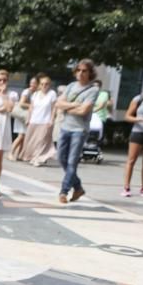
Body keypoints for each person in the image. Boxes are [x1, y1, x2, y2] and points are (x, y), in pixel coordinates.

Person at [56, 59, 100, 204]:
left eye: (84, 71)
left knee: (72, 161)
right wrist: (74, 104)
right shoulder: (70, 86)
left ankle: (64, 191)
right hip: (65, 127)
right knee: (61, 158)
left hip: (79, 130)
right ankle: (78, 187)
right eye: (78, 70)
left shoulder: (93, 90)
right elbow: (58, 104)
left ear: (90, 73)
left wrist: (67, 106)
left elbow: (83, 111)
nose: (80, 73)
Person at [18, 74, 57, 166]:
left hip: (45, 121)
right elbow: (31, 107)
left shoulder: (52, 94)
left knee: (42, 141)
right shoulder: (35, 94)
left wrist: (52, 119)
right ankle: (33, 157)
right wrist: (28, 118)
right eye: (42, 84)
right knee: (32, 141)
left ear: (49, 85)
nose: (44, 86)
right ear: (39, 85)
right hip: (34, 120)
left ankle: (38, 158)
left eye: (46, 84)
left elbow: (54, 108)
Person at [8, 77, 37, 161]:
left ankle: (18, 154)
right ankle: (11, 152)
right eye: (32, 83)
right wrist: (33, 106)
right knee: (21, 136)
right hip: (22, 116)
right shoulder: (27, 91)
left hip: (27, 116)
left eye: (35, 83)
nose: (33, 85)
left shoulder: (35, 93)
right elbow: (21, 103)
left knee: (23, 136)